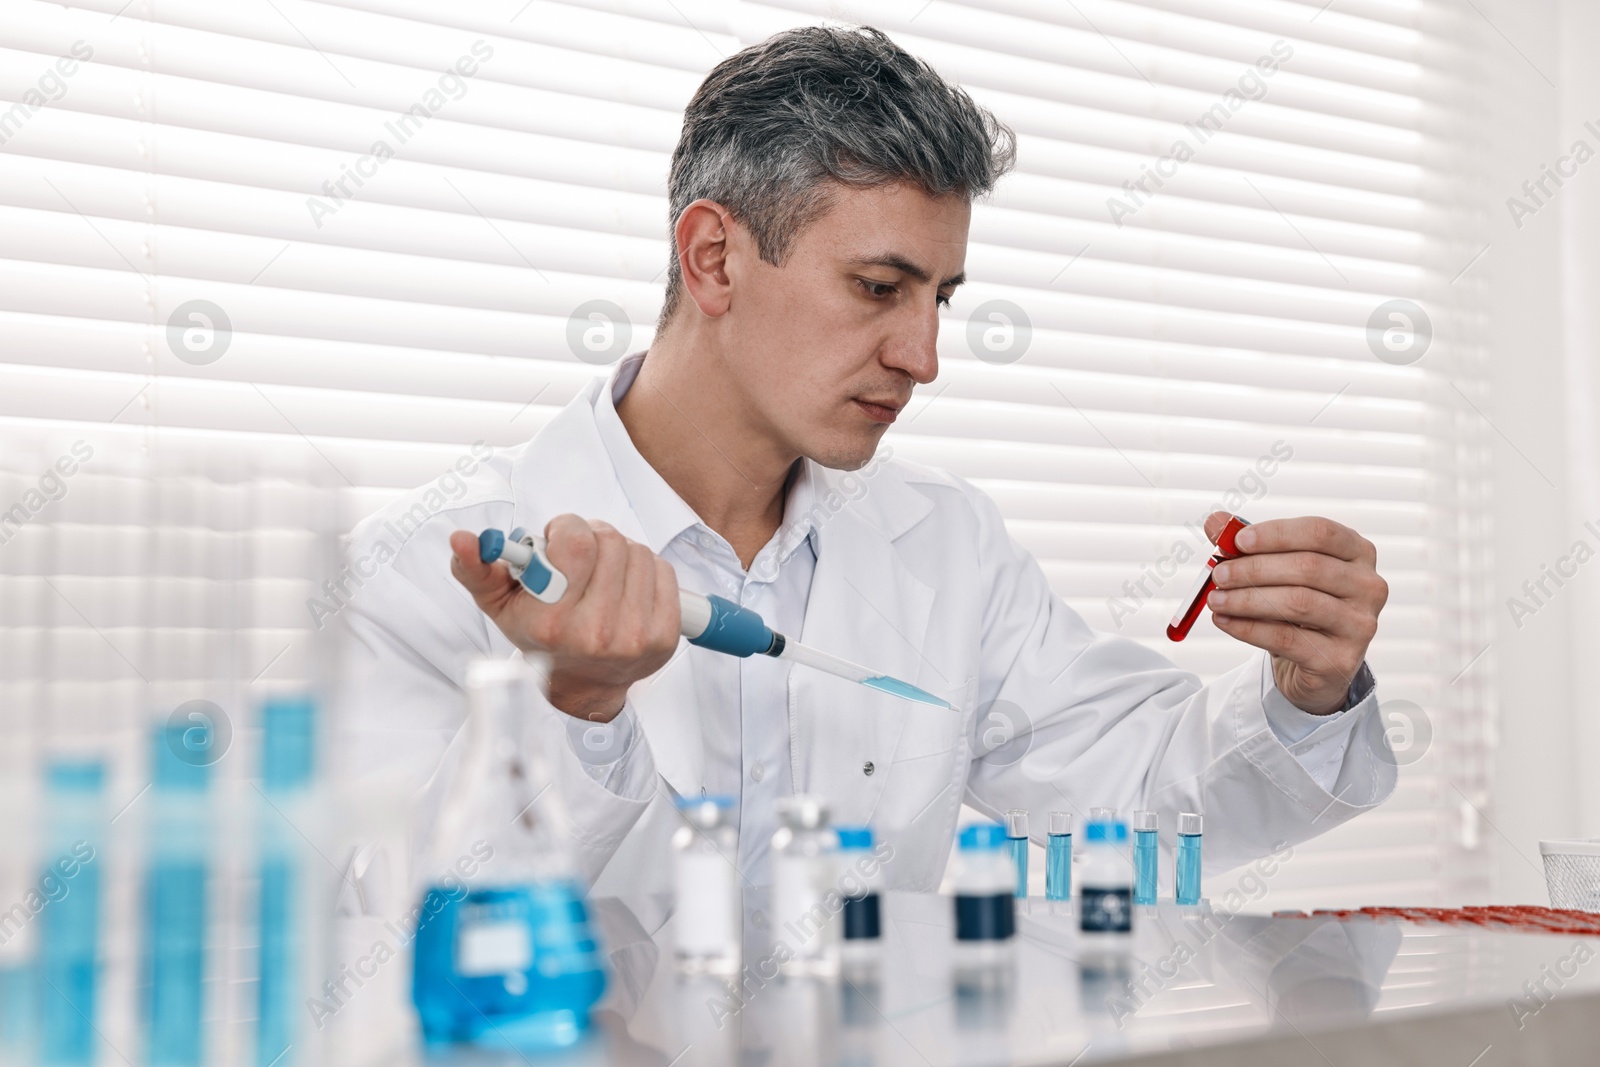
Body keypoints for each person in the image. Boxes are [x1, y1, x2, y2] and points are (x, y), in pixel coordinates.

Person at [338, 25, 1394, 898]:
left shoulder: (946, 546)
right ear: (714, 258)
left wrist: (1306, 691)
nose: (922, 357)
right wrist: (571, 705)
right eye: (879, 287)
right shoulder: (426, 569)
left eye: (941, 298)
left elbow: (1141, 790)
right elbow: (378, 927)